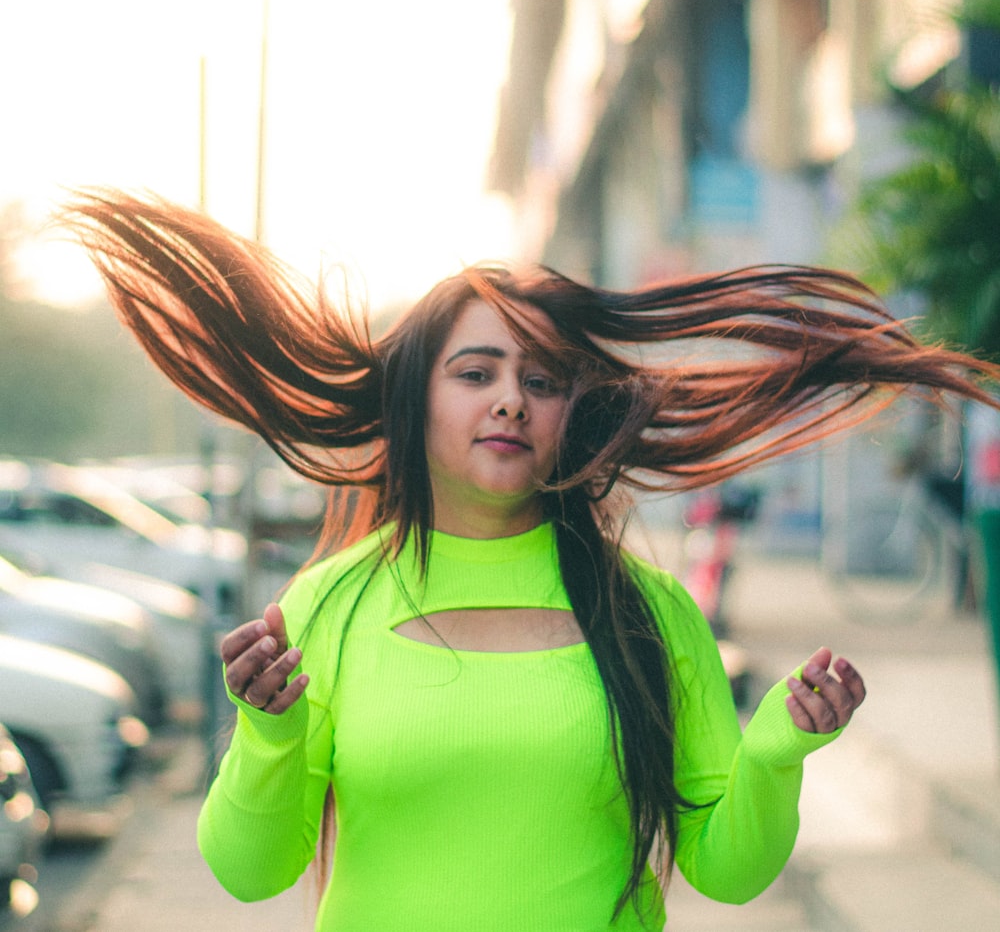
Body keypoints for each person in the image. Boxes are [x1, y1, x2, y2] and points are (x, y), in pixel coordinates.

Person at [63, 190, 1000, 931]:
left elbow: (729, 869)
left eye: (540, 381)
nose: (510, 399)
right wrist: (269, 734)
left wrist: (780, 750)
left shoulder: (650, 613)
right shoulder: (329, 608)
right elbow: (247, 870)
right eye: (475, 374)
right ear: (415, 404)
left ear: (569, 418)